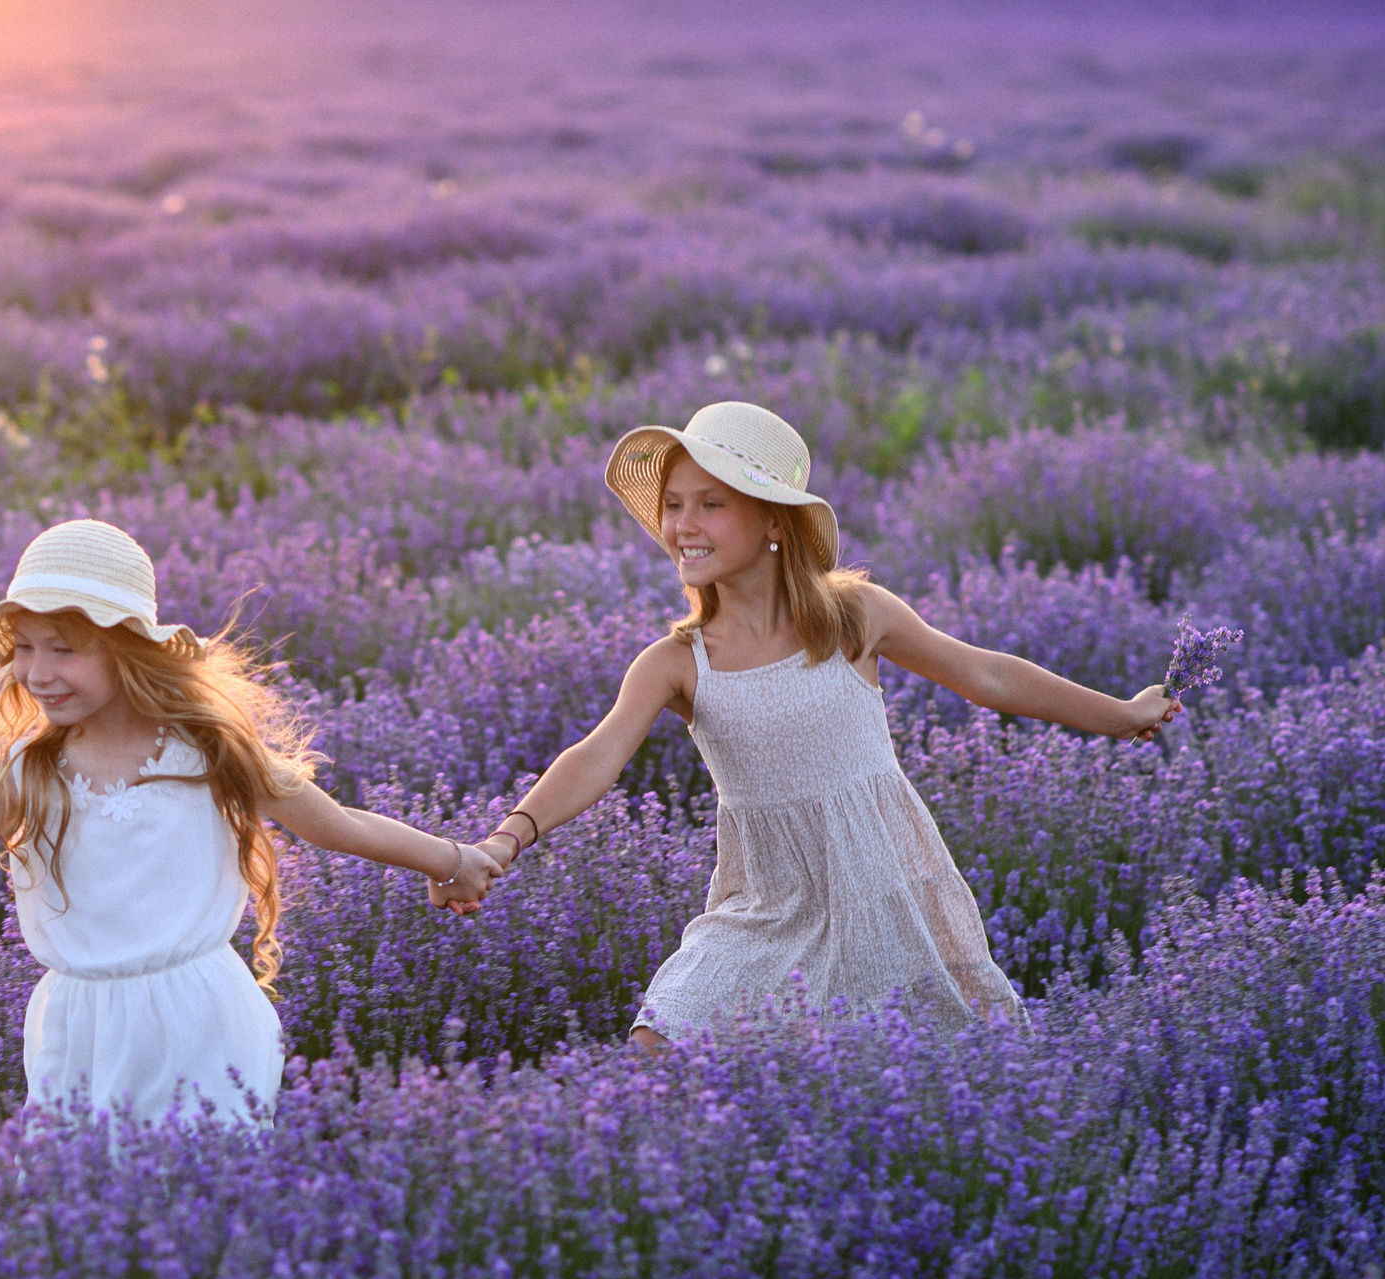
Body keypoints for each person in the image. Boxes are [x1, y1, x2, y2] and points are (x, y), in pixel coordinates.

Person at [443, 401, 1178, 1046]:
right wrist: (506, 837)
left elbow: (987, 675)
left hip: (879, 890)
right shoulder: (676, 662)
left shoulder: (854, 617)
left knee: (924, 1067)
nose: (682, 525)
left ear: (771, 519)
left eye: (711, 505)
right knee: (661, 1039)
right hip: (765, 905)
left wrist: (1119, 714)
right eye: (672, 504)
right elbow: (597, 754)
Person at [0, 518, 501, 1122]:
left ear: (128, 649)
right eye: (24, 647)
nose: (37, 672)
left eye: (64, 648)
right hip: (80, 1033)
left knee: (204, 1218)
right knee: (85, 1239)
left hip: (200, 1020)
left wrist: (452, 859)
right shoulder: (28, 770)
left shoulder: (208, 750)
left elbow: (337, 824)